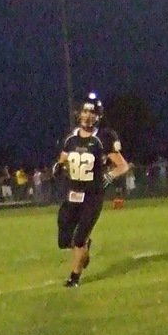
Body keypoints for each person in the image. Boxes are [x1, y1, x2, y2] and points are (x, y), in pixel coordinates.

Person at [53, 92, 130, 288]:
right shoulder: (70, 138)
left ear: (98, 116)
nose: (87, 115)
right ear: (79, 113)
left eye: (92, 112)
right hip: (72, 194)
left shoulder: (102, 138)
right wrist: (58, 167)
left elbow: (123, 166)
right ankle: (84, 248)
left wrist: (109, 176)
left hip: (92, 196)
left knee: (79, 239)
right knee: (65, 240)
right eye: (85, 111)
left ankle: (74, 277)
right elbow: (63, 160)